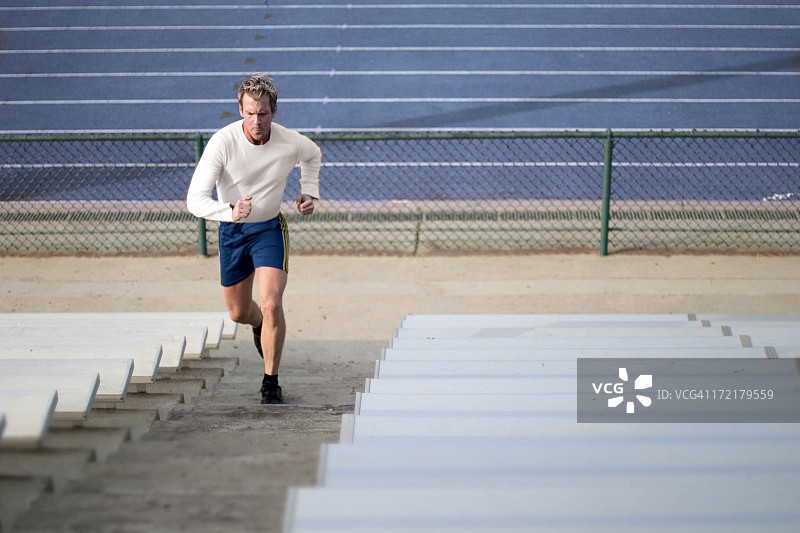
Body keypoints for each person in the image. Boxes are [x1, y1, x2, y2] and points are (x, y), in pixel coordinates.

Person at [187, 73, 321, 404]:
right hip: (233, 231)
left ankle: (270, 381)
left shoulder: (290, 141)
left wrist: (309, 191)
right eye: (249, 113)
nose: (256, 121)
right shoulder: (223, 142)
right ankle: (257, 320)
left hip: (269, 229)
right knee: (237, 312)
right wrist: (229, 211)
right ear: (240, 110)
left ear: (273, 111)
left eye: (262, 113)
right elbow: (195, 200)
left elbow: (313, 154)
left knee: (273, 302)